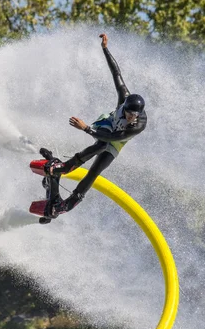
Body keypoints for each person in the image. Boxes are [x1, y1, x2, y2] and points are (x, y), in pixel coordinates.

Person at [47, 33, 147, 215]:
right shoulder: (124, 96)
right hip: (107, 123)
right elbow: (116, 73)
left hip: (117, 139)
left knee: (95, 170)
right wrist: (105, 49)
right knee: (100, 144)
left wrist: (86, 128)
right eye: (129, 113)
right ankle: (66, 166)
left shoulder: (138, 126)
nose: (132, 117)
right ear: (125, 106)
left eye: (135, 115)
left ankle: (70, 202)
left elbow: (113, 138)